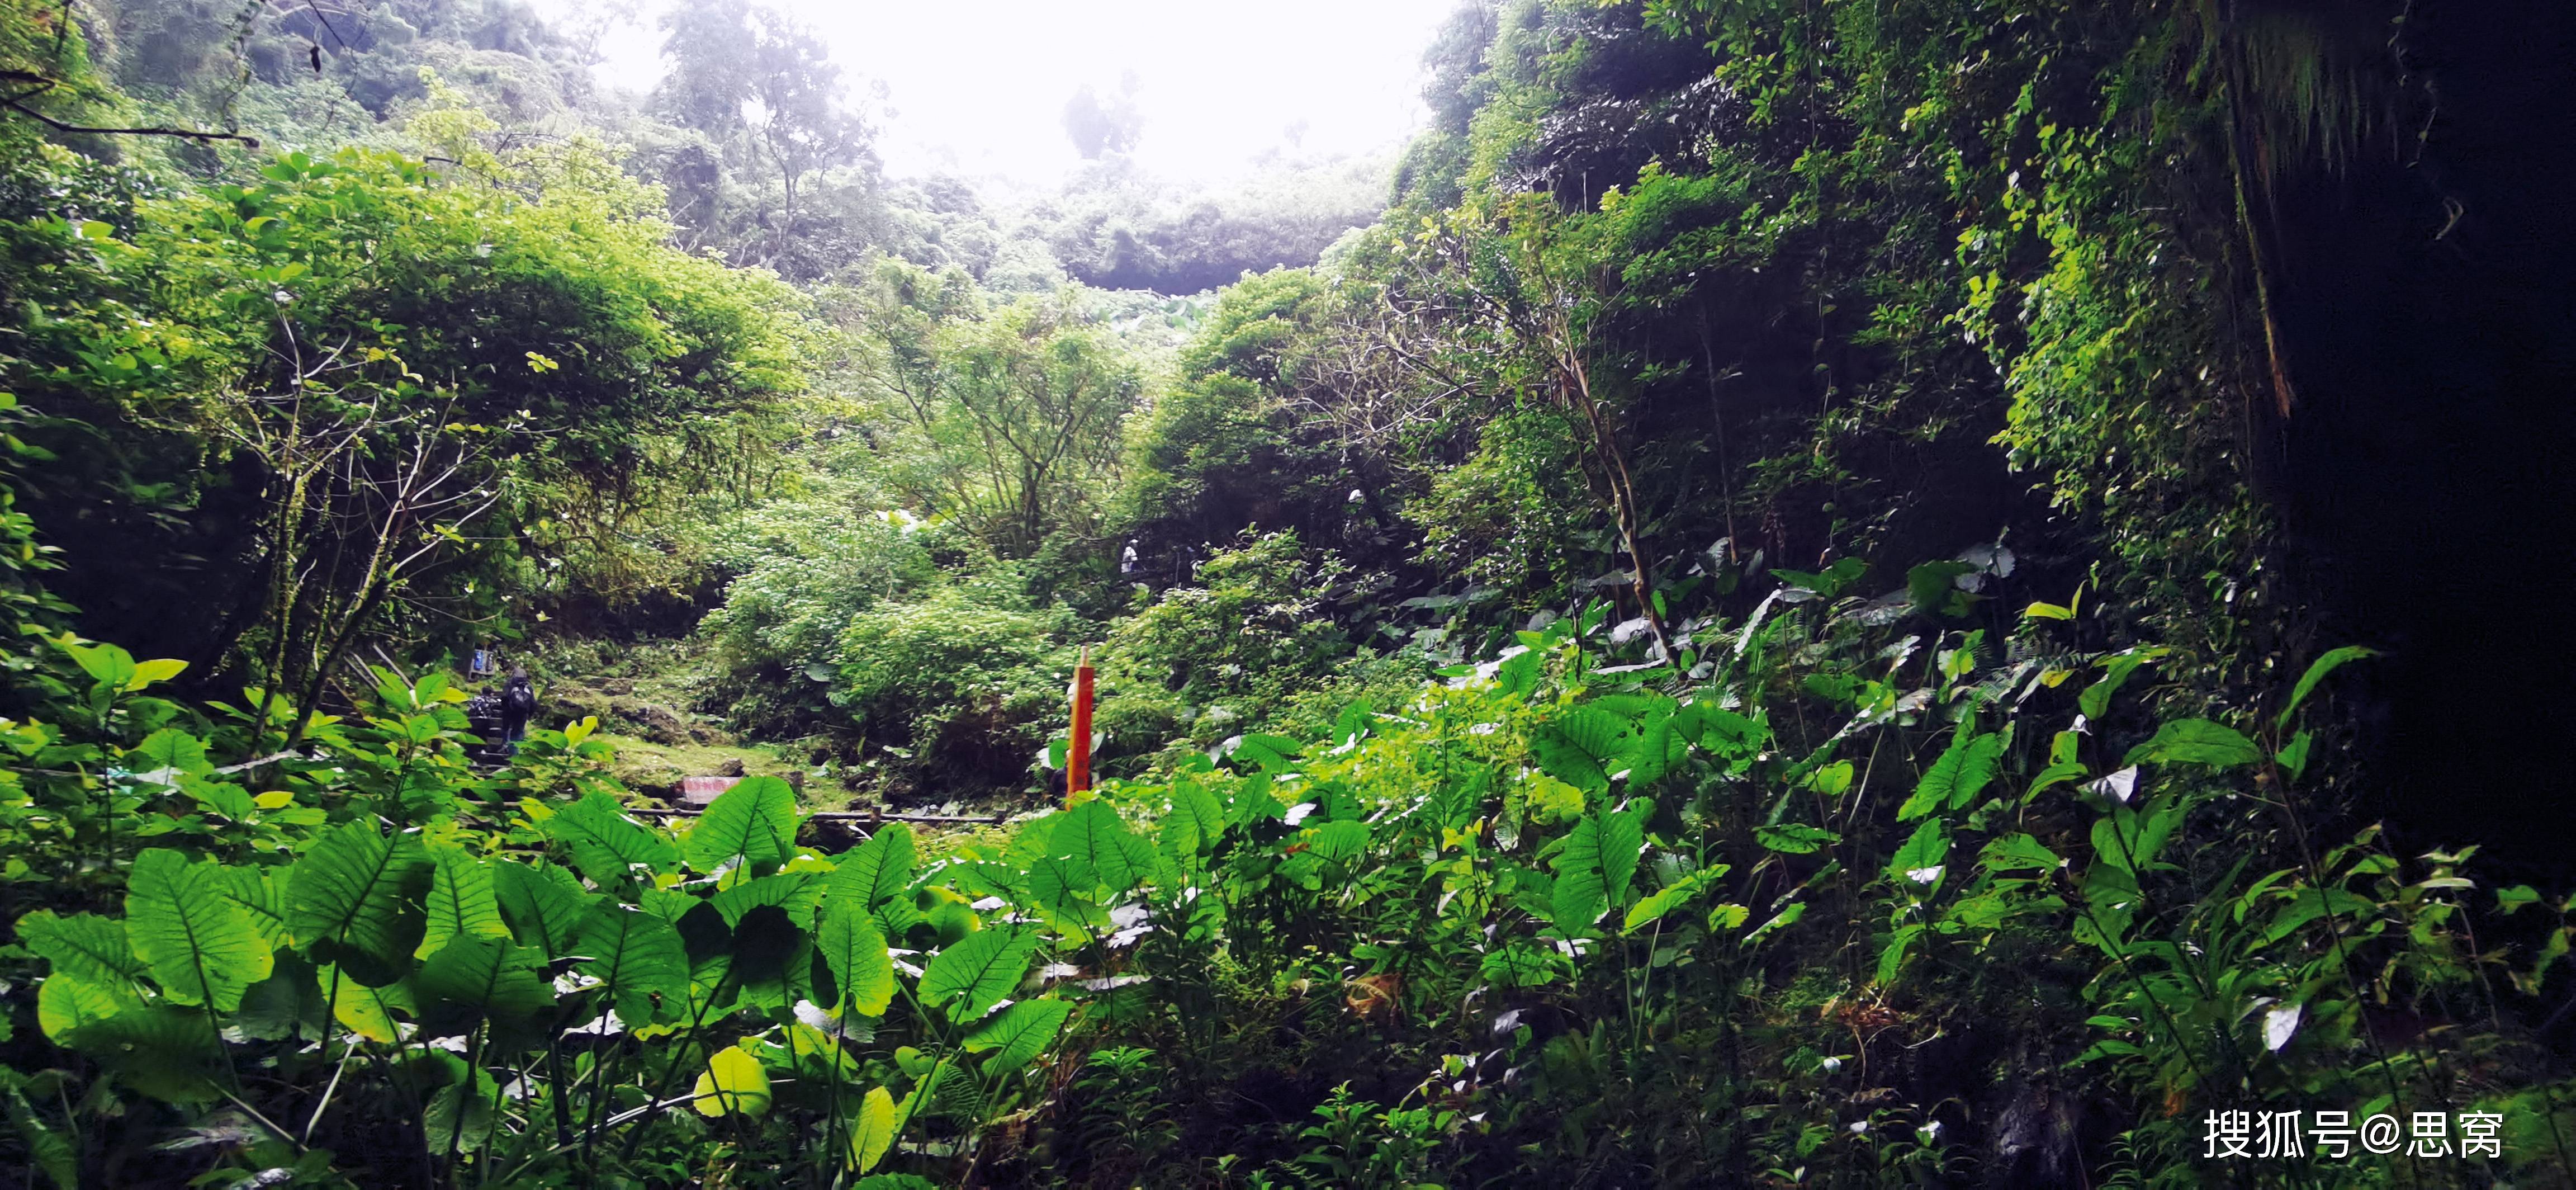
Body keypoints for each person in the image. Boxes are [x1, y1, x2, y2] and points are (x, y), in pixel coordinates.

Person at [501, 666, 536, 744]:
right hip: (523, 713)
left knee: (505, 729)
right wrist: (529, 714)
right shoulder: (528, 686)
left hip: (509, 713)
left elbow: (504, 697)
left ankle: (504, 746)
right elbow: (533, 703)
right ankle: (515, 751)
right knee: (519, 731)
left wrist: (505, 710)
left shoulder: (510, 684)